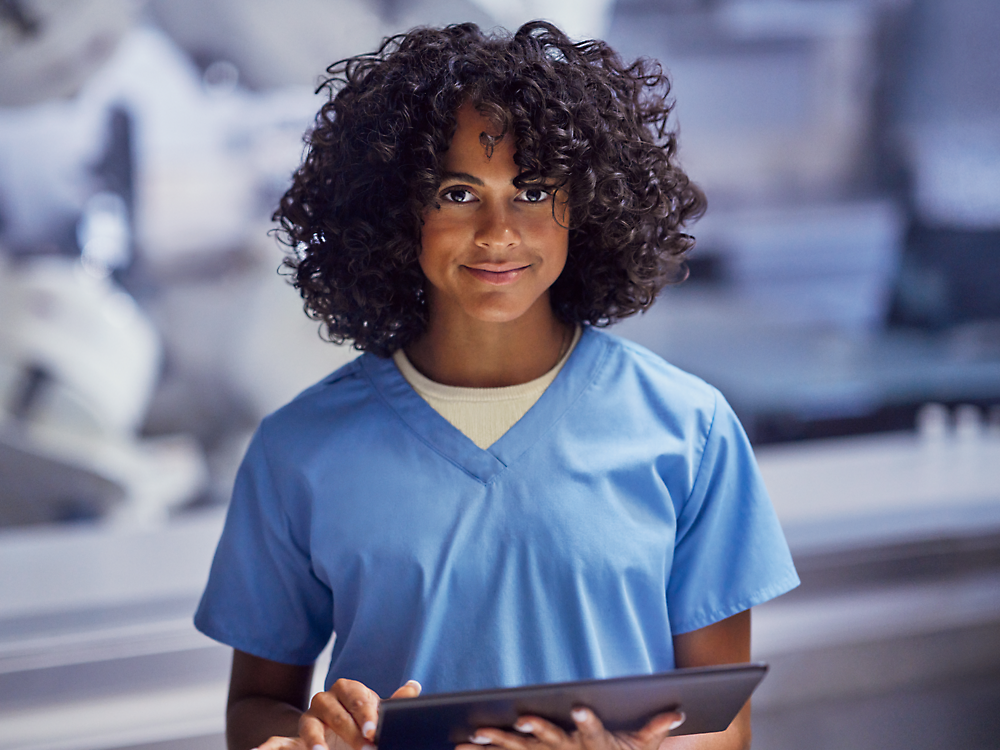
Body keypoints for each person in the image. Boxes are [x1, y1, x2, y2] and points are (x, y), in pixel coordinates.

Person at [194, 20, 799, 750]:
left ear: (587, 204)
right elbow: (256, 708)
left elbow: (725, 724)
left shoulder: (689, 430)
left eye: (534, 190)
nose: (497, 231)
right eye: (457, 192)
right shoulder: (299, 451)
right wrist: (313, 739)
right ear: (396, 209)